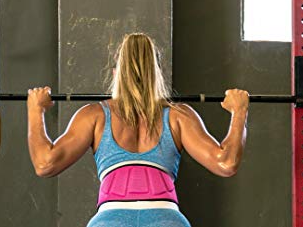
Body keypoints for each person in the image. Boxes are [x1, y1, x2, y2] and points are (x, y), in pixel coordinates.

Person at [27, 33, 249, 227]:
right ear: (156, 73)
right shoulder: (179, 116)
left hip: (110, 220)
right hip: (166, 220)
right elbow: (226, 163)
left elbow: (45, 163)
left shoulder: (93, 116)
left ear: (116, 74)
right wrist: (239, 111)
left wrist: (36, 110)